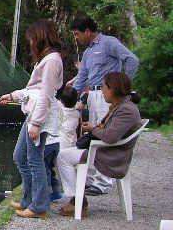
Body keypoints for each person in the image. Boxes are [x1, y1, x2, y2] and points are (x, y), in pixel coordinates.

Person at [0, 20, 63, 219]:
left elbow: (46, 94)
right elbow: (33, 89)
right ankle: (28, 200)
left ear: (42, 37)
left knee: (35, 160)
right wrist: (12, 95)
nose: (31, 43)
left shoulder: (52, 60)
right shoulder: (45, 60)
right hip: (32, 114)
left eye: (33, 38)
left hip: (38, 117)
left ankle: (39, 206)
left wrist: (36, 123)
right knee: (20, 157)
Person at [68, 15, 139, 195]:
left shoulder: (109, 42)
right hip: (93, 94)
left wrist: (123, 87)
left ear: (87, 31)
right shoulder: (87, 52)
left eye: (77, 34)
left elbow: (132, 60)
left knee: (105, 136)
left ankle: (103, 182)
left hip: (109, 94)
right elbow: (82, 76)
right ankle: (91, 178)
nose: (76, 38)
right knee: (94, 135)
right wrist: (68, 97)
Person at [56, 72, 142, 218]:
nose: (101, 91)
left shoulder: (126, 110)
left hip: (110, 155)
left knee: (62, 157)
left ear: (113, 88)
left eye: (103, 88)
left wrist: (92, 129)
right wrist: (94, 128)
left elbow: (110, 137)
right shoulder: (121, 106)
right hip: (107, 150)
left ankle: (78, 201)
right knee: (65, 157)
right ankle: (78, 199)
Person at [58, 86, 80, 150]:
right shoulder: (77, 114)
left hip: (61, 144)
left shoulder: (59, 109)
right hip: (73, 144)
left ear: (61, 101)